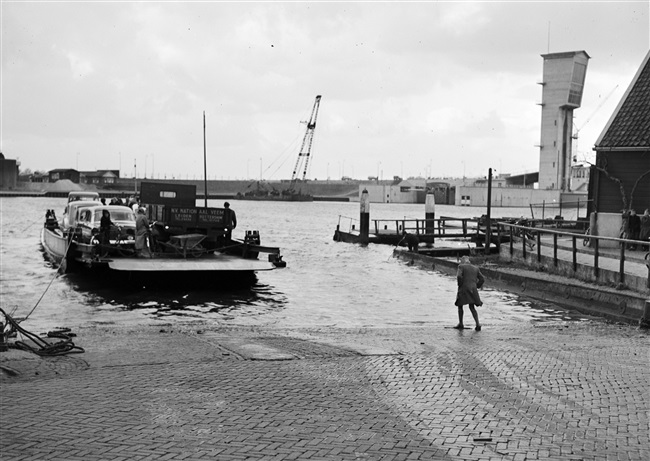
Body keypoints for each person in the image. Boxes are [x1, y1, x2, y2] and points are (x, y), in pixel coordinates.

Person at [454, 255, 484, 331]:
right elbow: (482, 279)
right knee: (472, 307)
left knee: (460, 305)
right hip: (473, 289)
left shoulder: (461, 266)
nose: (460, 262)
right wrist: (476, 286)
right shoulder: (476, 268)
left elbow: (459, 276)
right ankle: (477, 324)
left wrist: (460, 284)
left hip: (464, 288)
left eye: (461, 260)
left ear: (463, 261)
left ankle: (461, 323)